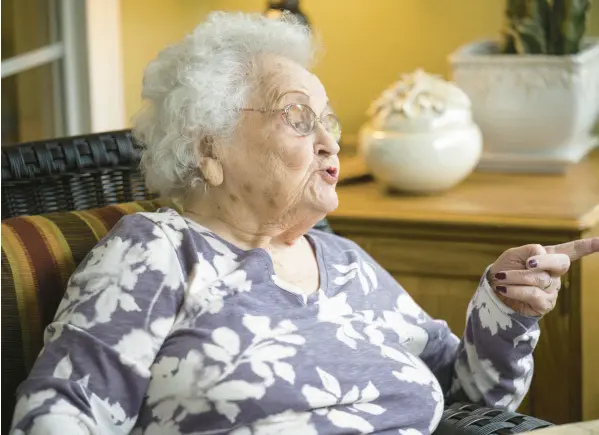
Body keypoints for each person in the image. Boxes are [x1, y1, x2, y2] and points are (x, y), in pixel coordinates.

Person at [10, 11, 599, 435]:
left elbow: (475, 395)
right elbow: (59, 415)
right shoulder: (159, 252)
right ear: (208, 148)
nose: (330, 142)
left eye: (329, 121)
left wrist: (507, 303)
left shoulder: (346, 265)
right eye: (298, 118)